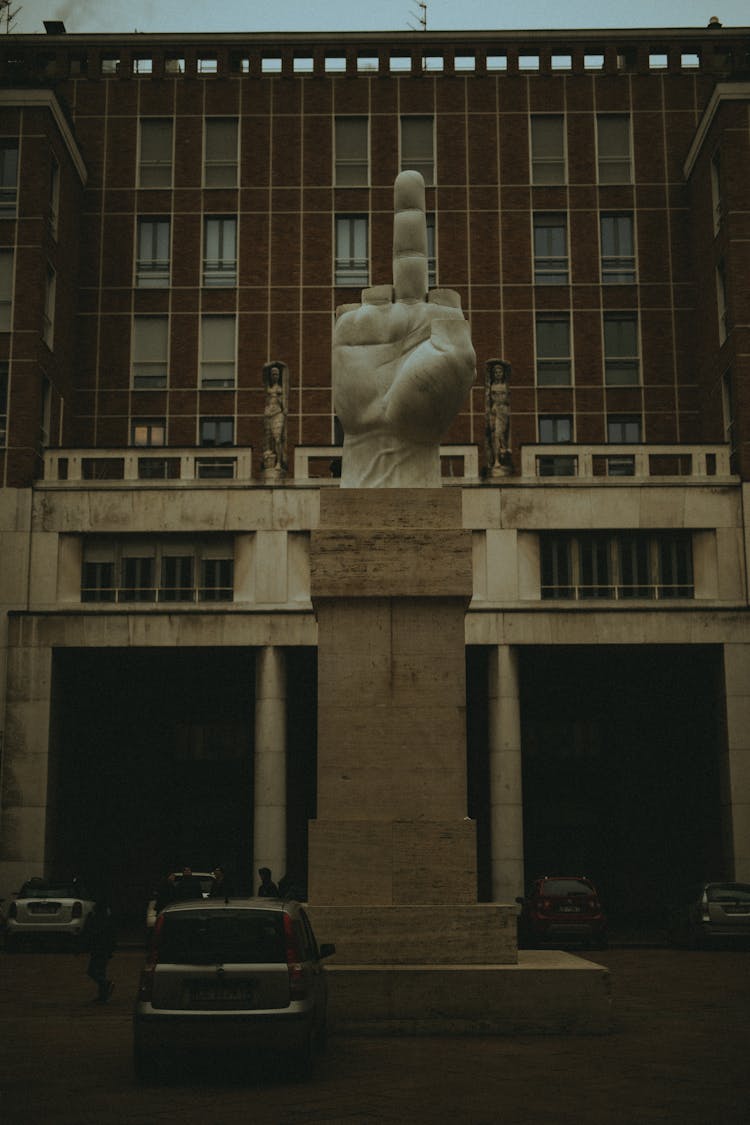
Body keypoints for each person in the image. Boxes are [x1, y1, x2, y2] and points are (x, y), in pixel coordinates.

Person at [82, 900, 117, 1003]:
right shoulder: (107, 919)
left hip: (99, 948)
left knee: (93, 971)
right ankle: (103, 995)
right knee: (101, 971)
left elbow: (91, 934)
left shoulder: (97, 919)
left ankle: (105, 985)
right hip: (103, 948)